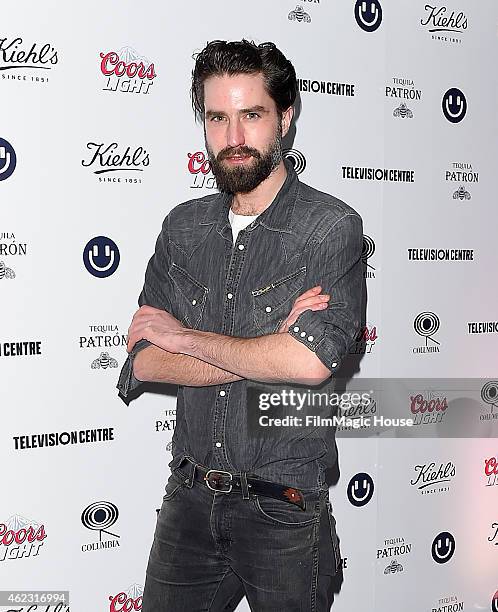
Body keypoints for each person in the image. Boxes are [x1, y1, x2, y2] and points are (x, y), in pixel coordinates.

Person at [117, 39, 364, 611]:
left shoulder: (329, 228)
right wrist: (268, 348)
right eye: (217, 118)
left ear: (286, 118)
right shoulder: (182, 229)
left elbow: (309, 363)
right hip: (190, 501)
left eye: (251, 115)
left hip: (286, 511)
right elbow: (143, 360)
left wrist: (185, 339)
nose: (232, 138)